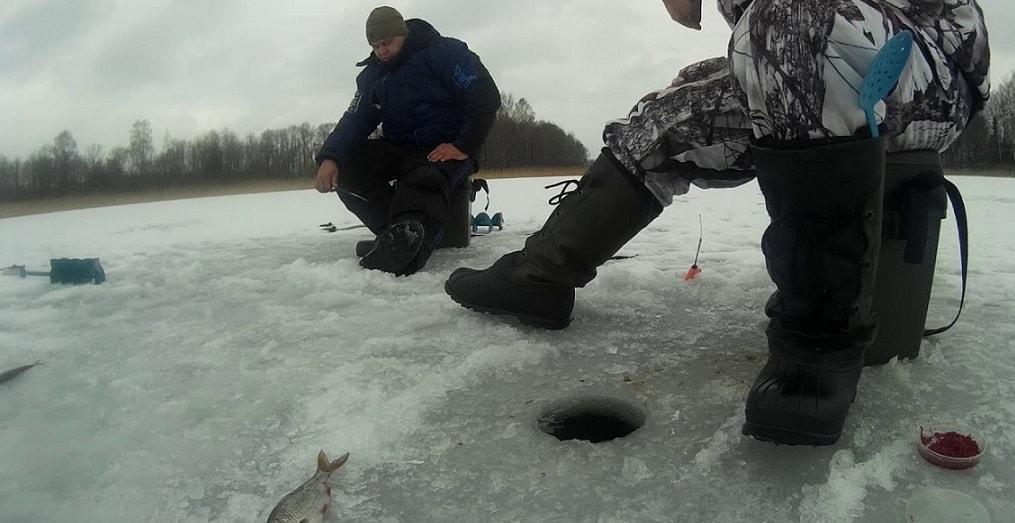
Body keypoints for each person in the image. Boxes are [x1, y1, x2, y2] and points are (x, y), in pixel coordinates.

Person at [445, 0, 989, 445]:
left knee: (788, 22)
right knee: (667, 112)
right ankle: (542, 275)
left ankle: (820, 340)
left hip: (926, 57)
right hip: (819, 46)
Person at [315, 6, 500, 276]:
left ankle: (407, 248)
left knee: (422, 179)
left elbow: (483, 93)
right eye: (375, 46)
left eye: (387, 43)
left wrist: (464, 146)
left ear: (402, 34)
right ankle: (396, 235)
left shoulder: (442, 53)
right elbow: (355, 119)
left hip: (443, 147)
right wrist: (330, 157)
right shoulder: (374, 76)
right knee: (346, 166)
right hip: (399, 147)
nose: (381, 51)